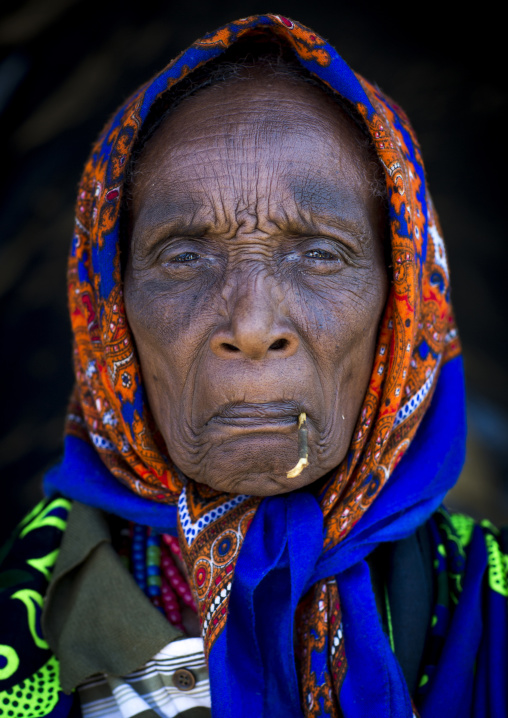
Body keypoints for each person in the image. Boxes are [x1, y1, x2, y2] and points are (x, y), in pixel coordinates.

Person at [0, 13, 506, 718]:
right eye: (184, 257)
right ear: (110, 310)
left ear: (401, 308)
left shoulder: (489, 603)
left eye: (320, 253)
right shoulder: (20, 606)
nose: (251, 325)